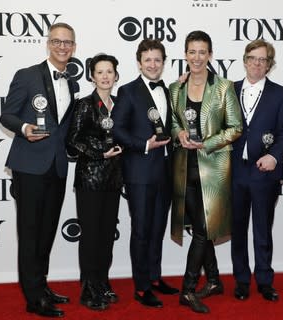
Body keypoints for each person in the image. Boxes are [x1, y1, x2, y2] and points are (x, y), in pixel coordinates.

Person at [0, 22, 79, 317]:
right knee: (30, 233)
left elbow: (66, 128)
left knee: (46, 232)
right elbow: (6, 114)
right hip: (30, 166)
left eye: (68, 42)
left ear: (74, 47)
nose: (62, 47)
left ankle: (41, 286)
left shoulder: (71, 82)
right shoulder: (27, 75)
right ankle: (33, 298)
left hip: (57, 167)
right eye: (57, 41)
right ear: (48, 43)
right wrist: (23, 127)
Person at [170, 30, 243, 313]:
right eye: (192, 51)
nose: (197, 57)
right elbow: (173, 120)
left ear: (210, 55)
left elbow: (235, 127)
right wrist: (179, 134)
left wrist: (207, 143)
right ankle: (213, 280)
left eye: (202, 52)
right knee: (201, 227)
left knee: (202, 229)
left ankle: (187, 290)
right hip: (183, 167)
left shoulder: (224, 87)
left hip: (213, 169)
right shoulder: (176, 88)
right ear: (185, 54)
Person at [112, 38, 179, 308]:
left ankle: (154, 277)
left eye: (158, 60)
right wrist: (144, 145)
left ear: (164, 63)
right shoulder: (128, 92)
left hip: (165, 171)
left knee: (157, 228)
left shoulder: (169, 90)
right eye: (148, 60)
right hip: (139, 172)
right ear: (139, 63)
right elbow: (117, 129)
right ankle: (141, 287)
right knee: (141, 230)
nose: (153, 64)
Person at [231, 39, 283, 302]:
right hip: (234, 171)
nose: (257, 64)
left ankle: (265, 280)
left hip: (264, 171)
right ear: (244, 60)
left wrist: (274, 156)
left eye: (263, 59)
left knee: (262, 229)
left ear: (270, 64)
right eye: (253, 58)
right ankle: (242, 280)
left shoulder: (281, 94)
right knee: (237, 229)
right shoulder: (228, 90)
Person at [67, 53, 123, 311]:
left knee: (106, 236)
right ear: (92, 76)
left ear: (116, 75)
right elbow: (73, 140)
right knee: (90, 236)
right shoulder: (84, 105)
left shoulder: (120, 104)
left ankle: (101, 281)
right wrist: (100, 151)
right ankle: (88, 288)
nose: (104, 76)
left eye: (109, 71)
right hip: (89, 179)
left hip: (113, 180)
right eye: (99, 72)